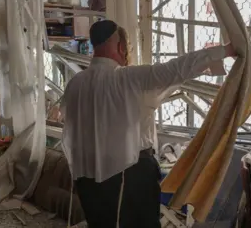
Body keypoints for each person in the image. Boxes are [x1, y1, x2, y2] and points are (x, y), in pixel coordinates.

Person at [61, 20, 237, 228]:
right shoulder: (127, 78)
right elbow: (176, 69)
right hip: (129, 173)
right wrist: (225, 51)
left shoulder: (75, 83)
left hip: (87, 174)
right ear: (120, 47)